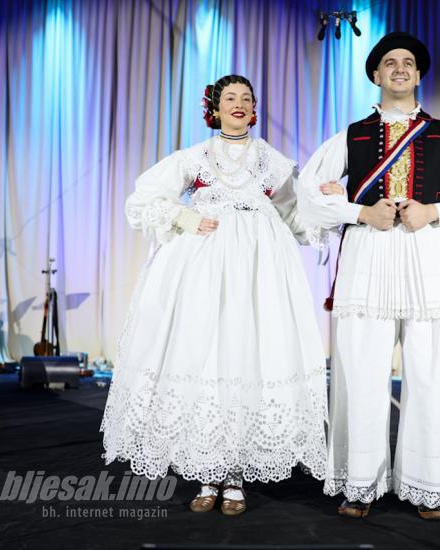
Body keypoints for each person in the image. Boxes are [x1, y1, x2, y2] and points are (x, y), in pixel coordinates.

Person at [100, 75, 341, 516]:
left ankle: (235, 477)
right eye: (230, 98)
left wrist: (328, 203)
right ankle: (208, 473)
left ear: (254, 108)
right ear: (214, 106)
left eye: (246, 99)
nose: (239, 104)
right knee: (207, 355)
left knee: (248, 355)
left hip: (259, 268)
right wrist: (185, 219)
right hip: (205, 265)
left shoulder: (272, 159)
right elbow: (144, 197)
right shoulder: (196, 156)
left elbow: (294, 211)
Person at [296, 32, 440, 520]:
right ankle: (360, 485)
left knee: (434, 372)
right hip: (368, 256)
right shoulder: (353, 134)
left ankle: (432, 485)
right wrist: (359, 214)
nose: (400, 69)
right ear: (376, 75)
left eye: (408, 62)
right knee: (362, 371)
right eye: (390, 62)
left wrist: (435, 213)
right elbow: (307, 192)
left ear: (419, 74)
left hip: (428, 255)